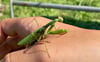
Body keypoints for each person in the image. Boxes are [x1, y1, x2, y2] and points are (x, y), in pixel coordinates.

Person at [0, 16, 100, 62]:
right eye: (58, 20)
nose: (59, 21)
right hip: (29, 39)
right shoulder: (45, 27)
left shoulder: (48, 27)